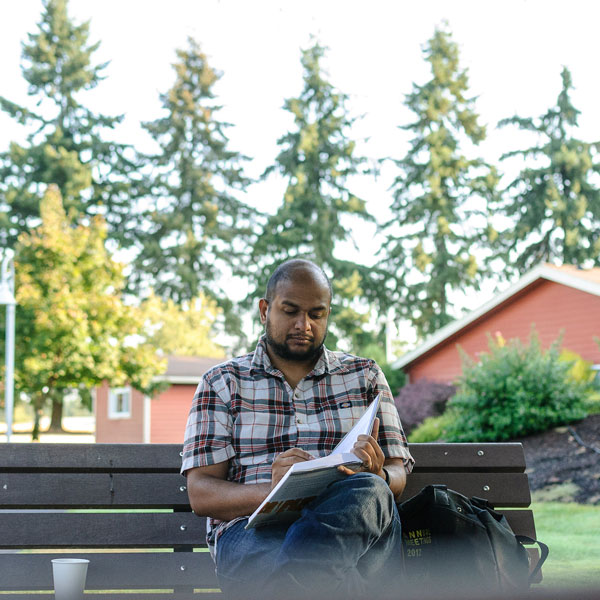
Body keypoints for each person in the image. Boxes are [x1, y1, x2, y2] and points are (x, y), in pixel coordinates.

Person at [181, 259, 414, 599]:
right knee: (337, 579)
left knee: (369, 489)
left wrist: (381, 475)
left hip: (354, 527)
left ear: (327, 314)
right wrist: (274, 493)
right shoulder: (223, 382)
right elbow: (200, 492)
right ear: (265, 310)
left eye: (316, 314)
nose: (303, 324)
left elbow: (397, 473)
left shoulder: (364, 375)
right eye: (290, 311)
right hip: (253, 532)